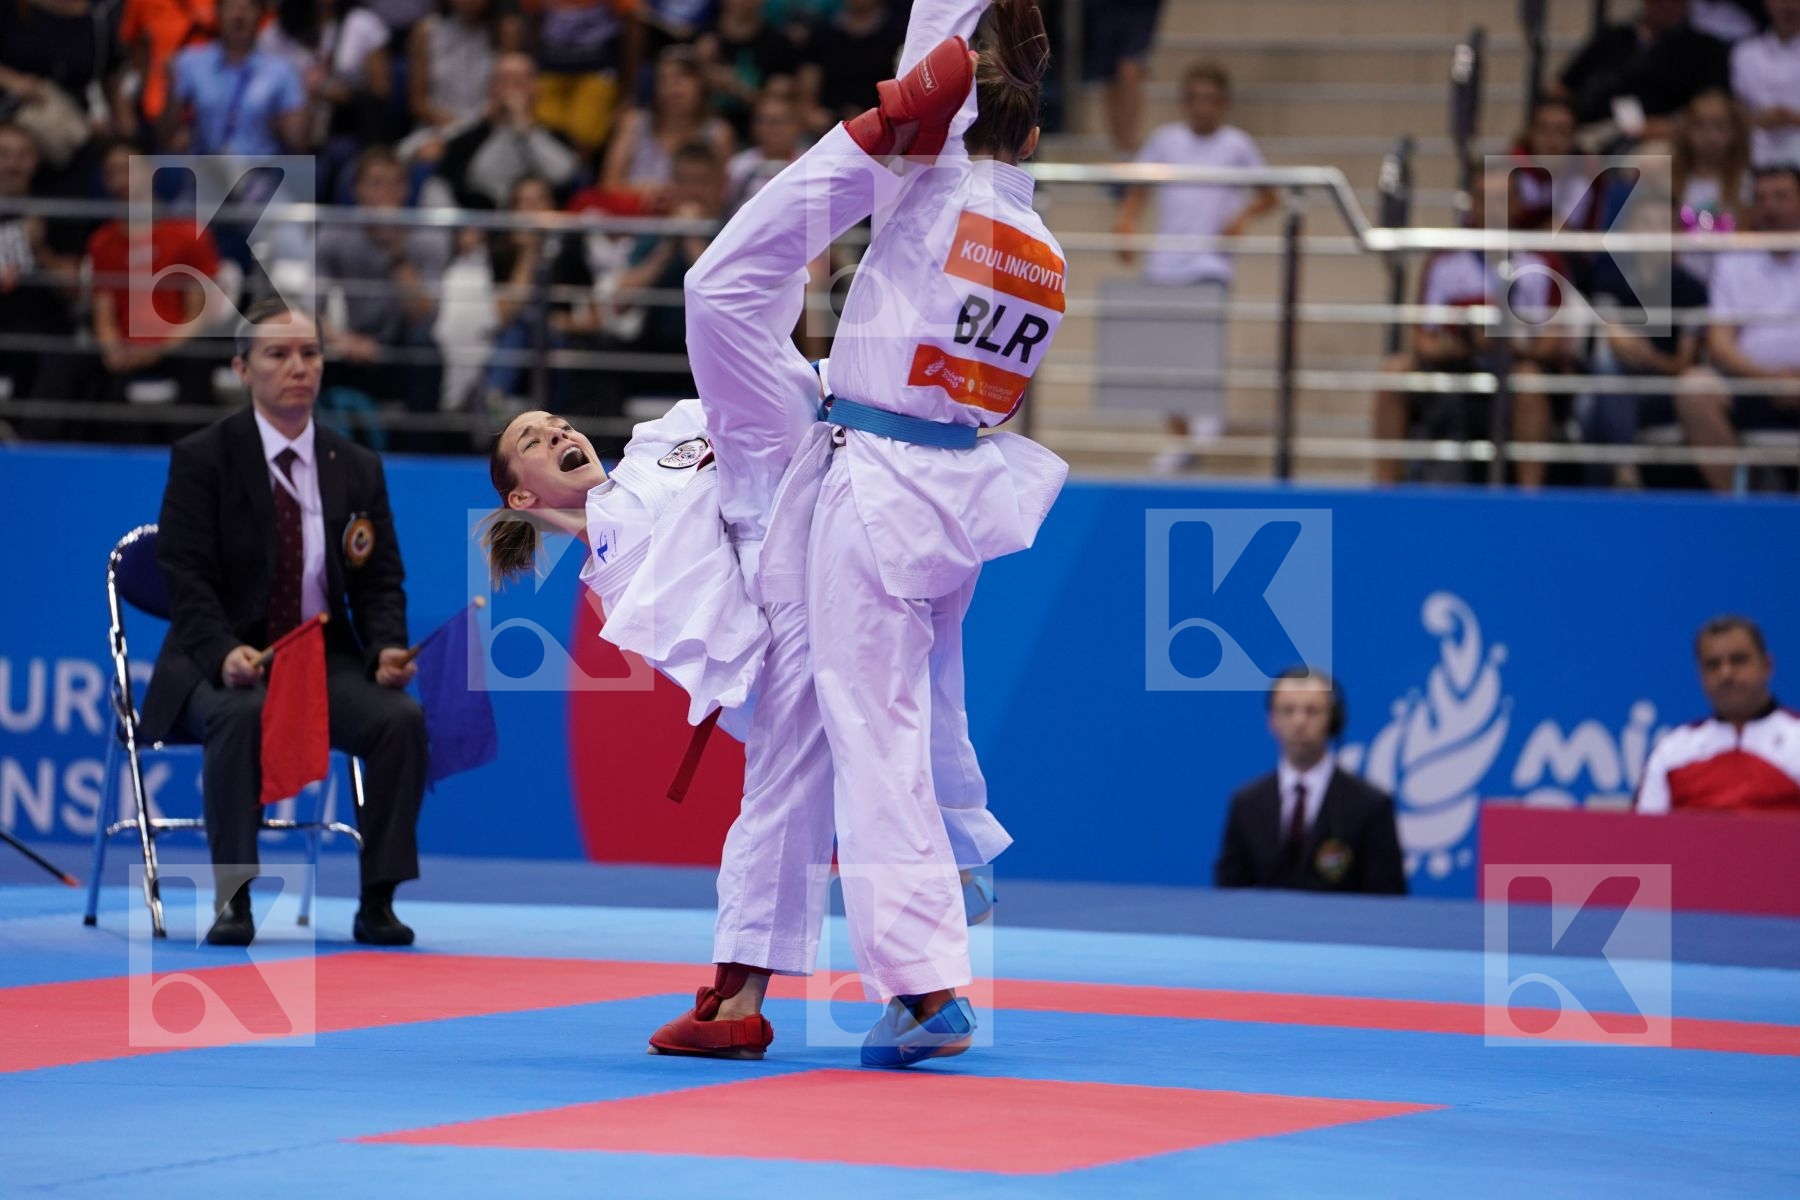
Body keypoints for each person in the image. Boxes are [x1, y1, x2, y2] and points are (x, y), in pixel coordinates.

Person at [675, 0, 1065, 1067]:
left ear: (956, 126)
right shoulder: (1043, 248)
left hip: (879, 481)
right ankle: (958, 858)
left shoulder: (931, 183)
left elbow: (918, 96)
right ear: (1032, 142)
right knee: (929, 709)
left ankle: (931, 982)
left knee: (875, 729)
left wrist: (930, 71)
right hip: (958, 489)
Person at [140, 299, 428, 947]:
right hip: (214, 659)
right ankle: (234, 898)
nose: (298, 367)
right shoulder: (203, 458)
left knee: (398, 721)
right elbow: (184, 578)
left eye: (310, 353)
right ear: (242, 368)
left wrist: (384, 648)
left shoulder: (356, 467)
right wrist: (224, 654)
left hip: (320, 659)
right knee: (242, 712)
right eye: (278, 354)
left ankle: (377, 901)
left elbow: (380, 580)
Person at [1111, 61, 1275, 472]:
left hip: (1209, 262)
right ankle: (1180, 439)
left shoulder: (1237, 145)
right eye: (1194, 99)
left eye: (1210, 100)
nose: (1202, 108)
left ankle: (1204, 413)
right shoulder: (1165, 141)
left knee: (1201, 345)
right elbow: (1139, 189)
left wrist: (1242, 217)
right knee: (1162, 357)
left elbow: (1270, 194)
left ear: (1223, 104)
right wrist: (1126, 222)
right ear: (1184, 103)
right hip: (1164, 261)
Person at [1372, 168, 1558, 487]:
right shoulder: (1444, 262)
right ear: (1473, 204)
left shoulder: (1542, 264)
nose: (1495, 209)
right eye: (1486, 200)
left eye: (1503, 200)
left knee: (1530, 382)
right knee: (1394, 371)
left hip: (1512, 372)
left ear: (1518, 205)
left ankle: (1530, 503)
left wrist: (1508, 346)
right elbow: (1423, 340)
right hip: (1453, 369)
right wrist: (1466, 344)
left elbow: (1555, 341)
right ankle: (1385, 492)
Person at [1214, 669, 1407, 895]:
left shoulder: (1370, 806)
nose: (1299, 721)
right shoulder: (1246, 804)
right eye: (1288, 710)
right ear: (1272, 720)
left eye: (1312, 711)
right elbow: (1228, 897)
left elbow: (1387, 902)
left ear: (1332, 721)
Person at [1676, 165, 1800, 492]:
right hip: (1752, 384)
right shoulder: (1733, 261)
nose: (1770, 207)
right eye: (1761, 198)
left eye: (1781, 196)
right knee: (1694, 390)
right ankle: (1737, 507)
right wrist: (1771, 382)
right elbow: (1719, 344)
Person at [1636, 616, 1800, 813]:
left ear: (1767, 665)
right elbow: (1643, 836)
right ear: (1700, 674)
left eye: (1738, 660)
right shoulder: (1671, 752)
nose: (1726, 674)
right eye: (1713, 664)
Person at [1555, 0, 1730, 142]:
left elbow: (1716, 104)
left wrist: (1671, 126)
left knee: (1649, 166)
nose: (1666, 5)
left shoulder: (1704, 49)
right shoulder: (1614, 37)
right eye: (1658, 2)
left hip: (1666, 138)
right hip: (1598, 127)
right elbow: (1563, 87)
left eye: (1675, 2)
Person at [1081, 0, 1162, 156]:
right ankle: (1119, 145)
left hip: (1140, 7)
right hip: (1105, 7)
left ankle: (1129, 144)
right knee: (1108, 76)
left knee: (1130, 68)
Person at [1730, 0, 1800, 168]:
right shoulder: (1745, 52)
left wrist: (1794, 119)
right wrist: (1757, 120)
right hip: (1754, 142)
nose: (1788, 6)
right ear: (1767, 3)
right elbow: (1736, 109)